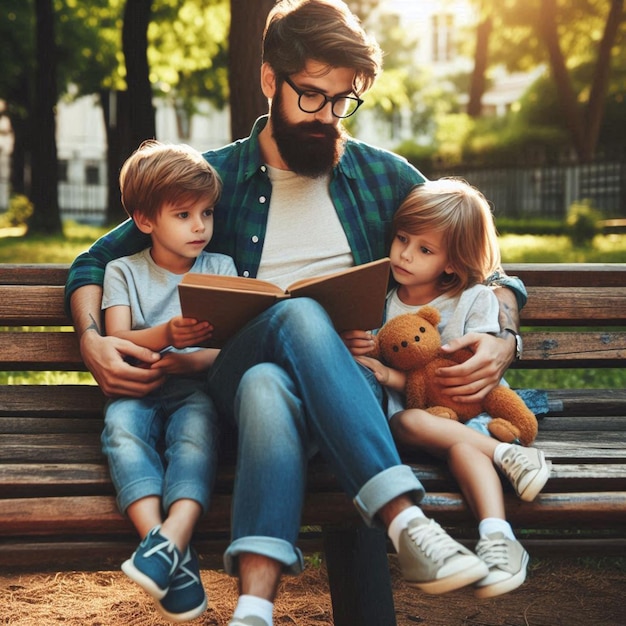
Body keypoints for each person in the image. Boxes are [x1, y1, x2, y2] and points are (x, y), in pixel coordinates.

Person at [65, 2, 530, 624]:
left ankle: (253, 608)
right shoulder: (215, 179)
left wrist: (502, 331)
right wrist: (93, 339)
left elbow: (488, 270)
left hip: (353, 390)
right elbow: (93, 262)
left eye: (341, 100)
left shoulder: (381, 177)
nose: (326, 116)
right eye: (310, 96)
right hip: (224, 380)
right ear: (269, 80)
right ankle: (405, 519)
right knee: (299, 319)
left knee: (270, 384)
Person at [343, 178, 550, 599]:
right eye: (402, 239)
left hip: (472, 410)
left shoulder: (473, 300)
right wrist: (368, 355)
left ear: (451, 263)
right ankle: (509, 457)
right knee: (405, 421)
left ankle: (498, 538)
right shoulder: (382, 301)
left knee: (463, 447)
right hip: (421, 416)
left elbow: (472, 366)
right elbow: (405, 376)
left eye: (425, 249)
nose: (404, 254)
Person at [100, 140, 237, 622]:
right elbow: (118, 338)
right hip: (136, 387)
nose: (200, 226)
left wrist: (188, 361)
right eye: (183, 215)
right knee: (122, 432)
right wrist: (167, 335)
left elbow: (228, 348)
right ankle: (159, 545)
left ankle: (172, 537)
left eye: (206, 212)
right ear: (145, 221)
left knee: (197, 438)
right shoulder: (123, 272)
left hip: (194, 389)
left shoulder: (220, 269)